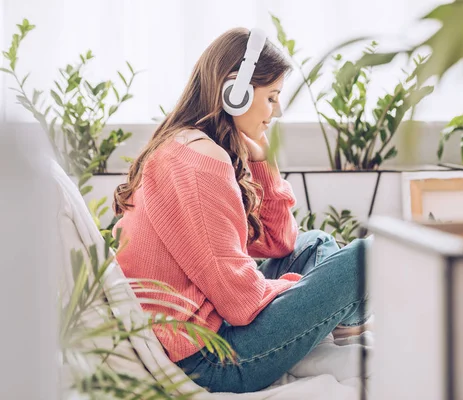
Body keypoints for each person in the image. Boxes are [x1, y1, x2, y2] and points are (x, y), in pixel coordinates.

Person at [112, 27, 370, 394]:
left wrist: (264, 161)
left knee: (314, 244)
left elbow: (281, 243)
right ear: (235, 92)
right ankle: (343, 318)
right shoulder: (201, 162)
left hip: (209, 328)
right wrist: (311, 291)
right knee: (363, 257)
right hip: (212, 358)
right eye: (272, 97)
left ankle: (336, 319)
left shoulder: (189, 146)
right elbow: (241, 304)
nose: (277, 111)